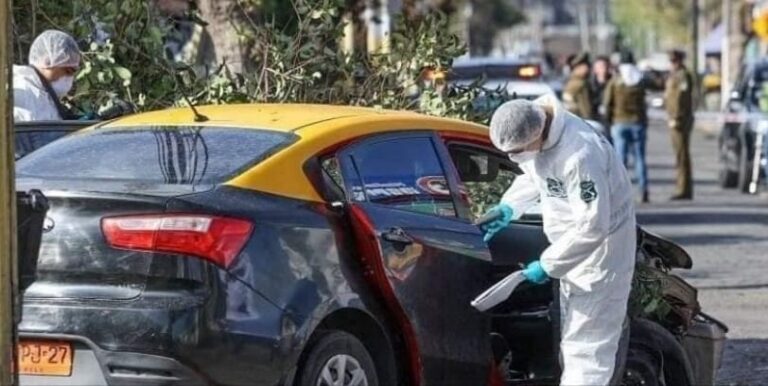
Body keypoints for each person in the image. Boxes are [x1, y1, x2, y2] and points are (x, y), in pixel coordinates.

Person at [482, 96, 636, 386]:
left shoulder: (580, 154)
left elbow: (593, 227)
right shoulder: (539, 131)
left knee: (588, 350)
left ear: (536, 134)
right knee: (573, 342)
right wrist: (509, 206)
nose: (515, 158)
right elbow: (536, 173)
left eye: (517, 151)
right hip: (571, 252)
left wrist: (548, 264)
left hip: (600, 257)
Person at [604, 51, 650, 203]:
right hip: (638, 123)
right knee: (640, 159)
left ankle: (620, 192)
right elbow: (644, 103)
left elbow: (607, 103)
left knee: (620, 161)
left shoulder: (615, 82)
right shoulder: (639, 81)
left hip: (620, 124)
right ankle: (643, 190)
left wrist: (609, 120)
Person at [13, 30, 81, 122]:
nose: (70, 77)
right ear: (47, 61)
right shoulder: (24, 91)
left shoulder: (44, 93)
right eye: (68, 71)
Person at [664, 49, 695, 200]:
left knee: (682, 155)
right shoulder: (674, 75)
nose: (672, 64)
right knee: (679, 155)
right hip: (675, 119)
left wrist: (676, 117)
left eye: (674, 61)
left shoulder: (682, 76)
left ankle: (683, 189)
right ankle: (681, 186)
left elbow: (681, 99)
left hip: (680, 121)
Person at [563, 52, 596, 120]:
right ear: (577, 68)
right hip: (581, 119)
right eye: (585, 66)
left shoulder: (572, 81)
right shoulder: (580, 83)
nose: (588, 69)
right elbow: (585, 106)